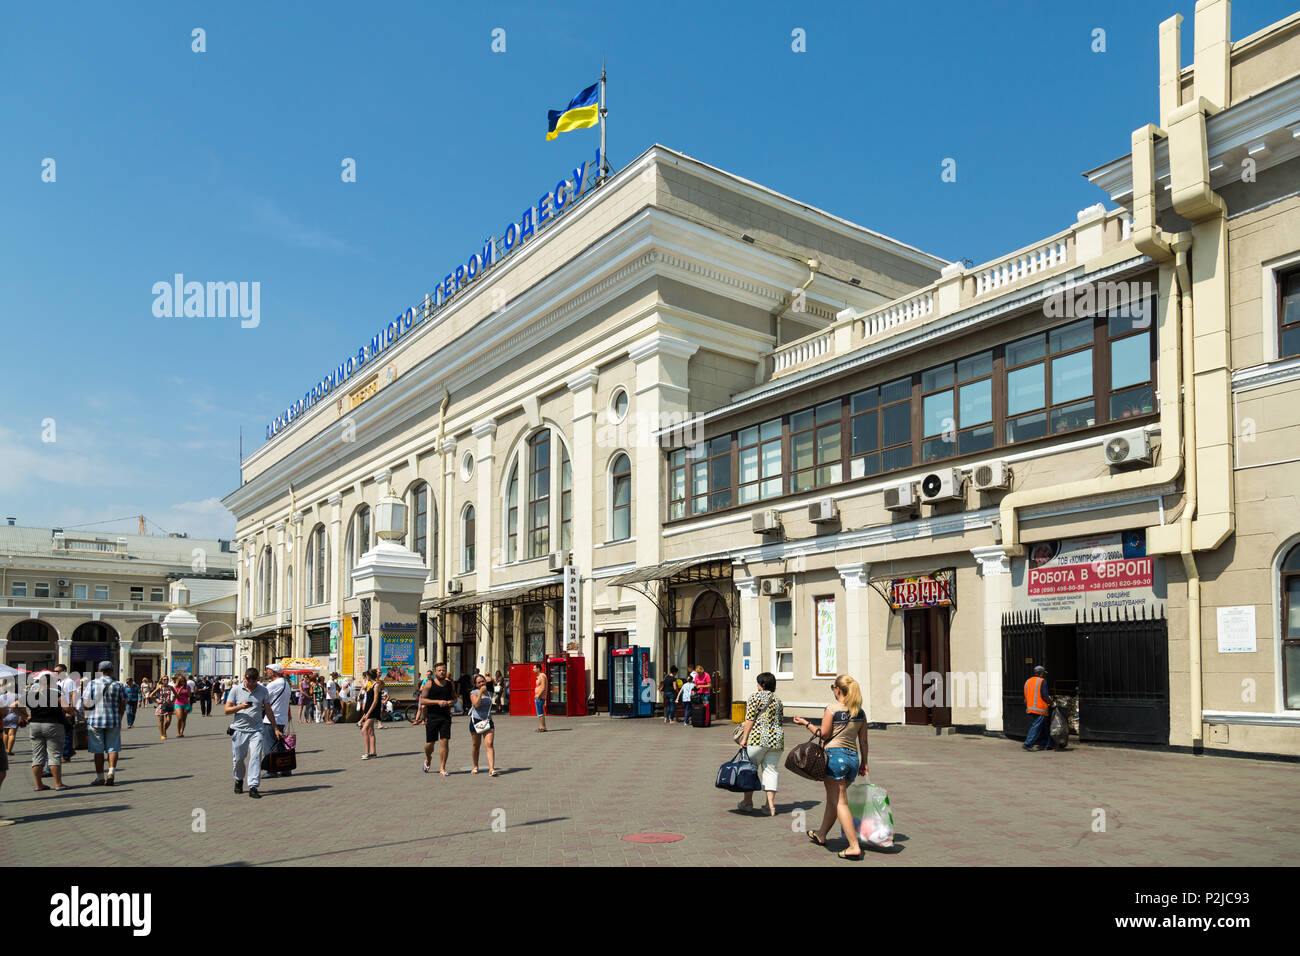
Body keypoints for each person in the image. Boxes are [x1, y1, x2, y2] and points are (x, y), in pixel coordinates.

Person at [792, 674, 870, 860]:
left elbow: (824, 734)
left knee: (840, 802)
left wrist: (806, 723)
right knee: (834, 800)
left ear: (838, 690)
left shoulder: (832, 708)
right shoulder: (860, 712)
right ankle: (821, 834)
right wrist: (864, 762)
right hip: (852, 760)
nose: (832, 690)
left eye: (832, 686)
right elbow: (864, 741)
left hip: (835, 759)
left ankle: (853, 846)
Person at [225, 667, 283, 799]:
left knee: (256, 757)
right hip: (239, 729)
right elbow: (226, 710)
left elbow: (268, 710)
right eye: (249, 681)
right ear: (245, 678)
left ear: (257, 680)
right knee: (239, 758)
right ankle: (239, 779)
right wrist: (240, 707)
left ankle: (253, 786)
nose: (251, 685)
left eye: (254, 682)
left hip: (256, 730)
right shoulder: (236, 689)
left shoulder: (263, 690)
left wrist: (275, 728)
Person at [736, 672, 784, 816]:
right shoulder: (777, 700)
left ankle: (747, 802)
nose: (756, 686)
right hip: (776, 740)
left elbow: (750, 719)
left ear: (762, 685)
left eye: (757, 683)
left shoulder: (754, 697)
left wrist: (744, 738)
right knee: (771, 771)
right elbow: (780, 720)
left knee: (749, 769)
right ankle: (770, 806)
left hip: (757, 739)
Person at [27, 671, 74, 792]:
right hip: (53, 725)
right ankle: (58, 784)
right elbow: (66, 707)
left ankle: (39, 785)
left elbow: (14, 705)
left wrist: (24, 716)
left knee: (37, 756)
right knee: (54, 755)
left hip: (35, 725)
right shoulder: (55, 693)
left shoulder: (32, 694)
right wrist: (72, 711)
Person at [82, 661, 126, 786]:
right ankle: (111, 772)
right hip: (113, 720)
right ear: (112, 670)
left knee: (98, 750)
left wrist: (87, 715)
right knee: (113, 748)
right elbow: (123, 704)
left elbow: (85, 703)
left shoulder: (92, 684)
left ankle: (100, 777)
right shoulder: (119, 685)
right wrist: (120, 717)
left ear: (99, 671)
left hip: (95, 720)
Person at [420, 662, 456, 775]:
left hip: (445, 717)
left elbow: (455, 698)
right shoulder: (429, 684)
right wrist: (437, 702)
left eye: (444, 670)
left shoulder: (450, 684)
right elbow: (423, 700)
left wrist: (451, 702)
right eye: (439, 670)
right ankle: (428, 758)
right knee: (429, 744)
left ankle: (442, 767)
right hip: (432, 716)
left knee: (444, 741)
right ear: (435, 672)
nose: (442, 672)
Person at [262, 663, 292, 775]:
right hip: (281, 718)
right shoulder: (286, 683)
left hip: (271, 718)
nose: (266, 672)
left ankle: (272, 770)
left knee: (269, 745)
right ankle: (285, 769)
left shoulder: (273, 685)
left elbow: (263, 698)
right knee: (279, 745)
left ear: (274, 672)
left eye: (268, 670)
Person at [468, 673, 498, 776]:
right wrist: (480, 692)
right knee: (476, 745)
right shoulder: (473, 692)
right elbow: (476, 705)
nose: (481, 683)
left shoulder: (490, 693)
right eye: (479, 682)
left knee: (489, 744)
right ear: (476, 684)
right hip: (476, 721)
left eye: (483, 681)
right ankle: (475, 766)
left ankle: (491, 769)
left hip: (488, 721)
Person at [1022, 665, 1055, 752]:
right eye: (1043, 673)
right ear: (1041, 673)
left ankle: (1046, 744)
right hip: (1040, 708)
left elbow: (1025, 698)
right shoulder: (1042, 681)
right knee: (1037, 726)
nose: (1044, 675)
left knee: (1042, 726)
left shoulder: (1027, 682)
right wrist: (1051, 703)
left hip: (1030, 707)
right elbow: (1045, 696)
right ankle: (1028, 743)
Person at [53, 664, 78, 762]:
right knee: (61, 732)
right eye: (55, 672)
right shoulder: (58, 682)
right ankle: (69, 750)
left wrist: (71, 710)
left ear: (64, 671)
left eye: (58, 671)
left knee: (67, 732)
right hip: (60, 708)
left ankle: (66, 755)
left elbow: (74, 695)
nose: (56, 673)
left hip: (67, 708)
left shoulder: (69, 681)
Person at [357, 668, 383, 759]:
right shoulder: (369, 684)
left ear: (370, 676)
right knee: (371, 731)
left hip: (373, 710)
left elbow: (375, 700)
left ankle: (367, 753)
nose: (365, 677)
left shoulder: (376, 685)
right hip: (368, 709)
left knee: (364, 730)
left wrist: (368, 713)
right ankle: (373, 752)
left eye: (367, 675)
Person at [149, 676, 175, 740]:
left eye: (167, 679)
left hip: (168, 705)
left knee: (169, 720)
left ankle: (164, 730)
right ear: (162, 680)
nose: (166, 680)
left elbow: (176, 694)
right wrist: (157, 701)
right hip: (161, 705)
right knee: (161, 721)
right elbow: (151, 695)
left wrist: (172, 701)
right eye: (164, 679)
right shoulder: (160, 687)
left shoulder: (170, 687)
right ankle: (162, 734)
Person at [2, 679, 23, 755]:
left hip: (4, 716)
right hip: (14, 716)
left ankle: (5, 749)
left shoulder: (1, 696)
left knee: (5, 733)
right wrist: (22, 716)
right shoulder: (19, 696)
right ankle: (9, 750)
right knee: (12, 734)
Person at [173, 673, 192, 738]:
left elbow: (190, 695)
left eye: (183, 681)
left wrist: (187, 689)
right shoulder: (176, 687)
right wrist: (180, 689)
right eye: (181, 681)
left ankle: (181, 732)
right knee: (180, 718)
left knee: (184, 719)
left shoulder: (187, 687)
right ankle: (178, 732)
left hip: (186, 704)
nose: (182, 682)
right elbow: (176, 696)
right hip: (178, 703)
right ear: (179, 681)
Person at [532, 663, 548, 733]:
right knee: (539, 712)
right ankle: (541, 726)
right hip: (538, 696)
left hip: (540, 697)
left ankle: (543, 727)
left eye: (534, 668)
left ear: (538, 669)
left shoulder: (542, 676)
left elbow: (544, 687)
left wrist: (538, 695)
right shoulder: (539, 676)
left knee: (540, 712)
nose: (533, 669)